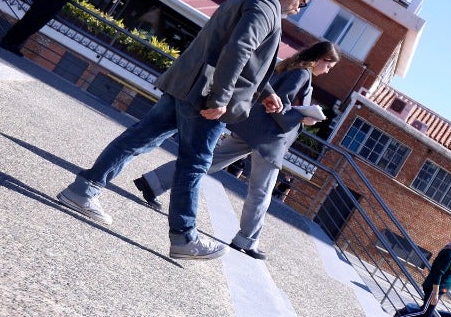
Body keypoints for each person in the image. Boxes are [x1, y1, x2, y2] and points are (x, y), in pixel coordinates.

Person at [56, 0, 319, 260]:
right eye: (302, 3)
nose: (298, 10)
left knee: (140, 137)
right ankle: (183, 237)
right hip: (206, 95)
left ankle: (83, 189)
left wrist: (266, 91)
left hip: (189, 84)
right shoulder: (267, 5)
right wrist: (220, 97)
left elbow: (240, 51)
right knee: (195, 162)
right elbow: (239, 49)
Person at [130, 41, 340, 259]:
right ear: (321, 59)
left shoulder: (290, 68)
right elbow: (281, 109)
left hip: (251, 130)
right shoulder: (302, 75)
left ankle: (153, 182)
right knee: (261, 192)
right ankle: (246, 241)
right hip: (269, 139)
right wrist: (303, 117)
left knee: (207, 162)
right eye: (328, 66)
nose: (327, 71)